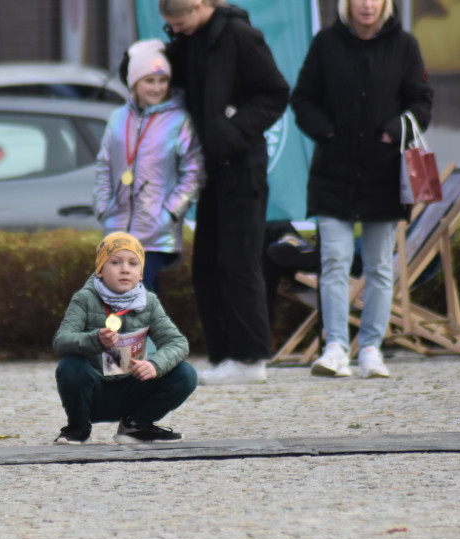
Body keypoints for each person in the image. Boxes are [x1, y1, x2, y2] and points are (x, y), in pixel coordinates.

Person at [291, 0, 433, 379]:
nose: (367, 4)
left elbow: (422, 101)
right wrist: (326, 131)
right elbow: (302, 97)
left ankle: (371, 348)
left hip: (383, 173)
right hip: (333, 172)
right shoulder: (326, 43)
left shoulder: (404, 45)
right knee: (334, 261)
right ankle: (336, 347)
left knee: (379, 265)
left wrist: (393, 131)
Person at [159, 0, 290, 385]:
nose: (176, 29)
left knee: (240, 260)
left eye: (179, 22)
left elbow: (275, 92)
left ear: (199, 5)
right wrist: (142, 61)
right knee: (208, 264)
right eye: (170, 25)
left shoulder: (240, 36)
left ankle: (250, 358)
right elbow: (164, 73)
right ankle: (224, 357)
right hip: (211, 168)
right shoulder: (190, 39)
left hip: (242, 167)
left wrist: (232, 131)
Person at [53, 232, 197, 445]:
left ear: (141, 274)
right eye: (115, 262)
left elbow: (177, 342)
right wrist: (94, 340)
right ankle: (78, 427)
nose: (125, 269)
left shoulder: (149, 302)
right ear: (100, 270)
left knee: (186, 374)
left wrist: (155, 365)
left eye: (133, 263)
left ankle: (136, 426)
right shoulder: (84, 299)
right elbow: (61, 342)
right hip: (94, 392)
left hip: (132, 389)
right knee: (70, 366)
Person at [95, 39, 203, 294]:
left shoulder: (179, 120)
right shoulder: (118, 118)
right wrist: (103, 206)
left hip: (155, 232)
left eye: (162, 80)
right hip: (117, 229)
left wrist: (170, 213)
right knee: (134, 295)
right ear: (134, 83)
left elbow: (193, 172)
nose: (157, 87)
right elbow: (104, 165)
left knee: (133, 292)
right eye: (149, 81)